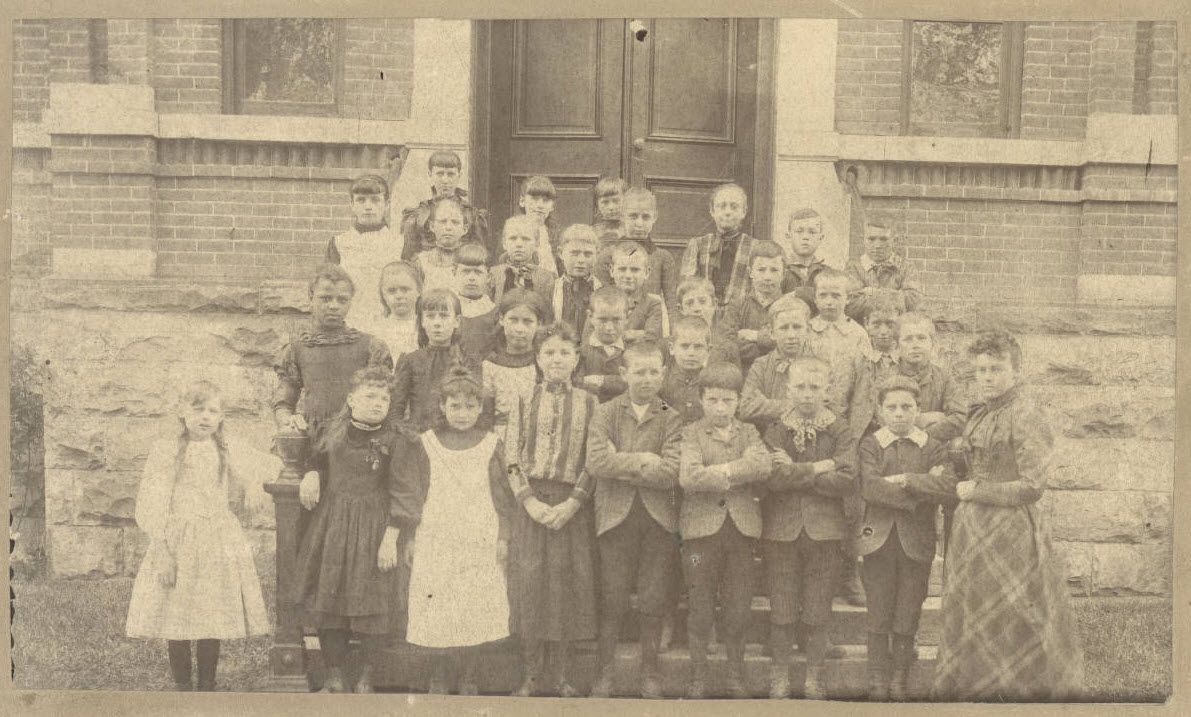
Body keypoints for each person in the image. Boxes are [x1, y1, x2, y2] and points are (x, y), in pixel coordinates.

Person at [932, 331, 1084, 702]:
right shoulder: (980, 411)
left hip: (1009, 531)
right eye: (981, 370)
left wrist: (977, 490)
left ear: (1016, 370)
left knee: (1011, 612)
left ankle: (1014, 693)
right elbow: (975, 461)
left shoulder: (1026, 414)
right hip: (972, 531)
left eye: (996, 369)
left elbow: (1032, 485)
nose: (987, 377)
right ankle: (975, 689)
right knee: (974, 609)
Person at [126, 380, 277, 691]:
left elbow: (268, 465)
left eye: (213, 411)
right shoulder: (167, 450)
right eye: (198, 409)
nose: (205, 417)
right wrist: (163, 551)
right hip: (177, 540)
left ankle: (207, 684)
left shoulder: (226, 447)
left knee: (212, 611)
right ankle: (183, 685)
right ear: (183, 412)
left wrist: (252, 485)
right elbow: (152, 501)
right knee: (176, 612)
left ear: (221, 417)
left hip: (217, 541)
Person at [292, 367, 410, 693]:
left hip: (375, 528)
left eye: (384, 398)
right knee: (330, 595)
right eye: (370, 396)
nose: (378, 403)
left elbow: (404, 491)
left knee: (373, 598)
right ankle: (334, 673)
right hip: (333, 525)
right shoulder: (333, 431)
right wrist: (312, 473)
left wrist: (391, 537)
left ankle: (367, 675)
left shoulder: (396, 439)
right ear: (351, 399)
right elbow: (316, 460)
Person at [402, 366, 514, 695]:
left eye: (469, 406)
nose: (462, 413)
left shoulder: (492, 444)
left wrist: (504, 536)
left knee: (474, 602)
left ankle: (469, 675)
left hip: (479, 532)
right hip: (436, 533)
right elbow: (414, 493)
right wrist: (410, 536)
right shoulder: (426, 443)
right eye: (455, 406)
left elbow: (503, 495)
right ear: (442, 406)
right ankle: (439, 673)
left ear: (480, 409)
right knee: (437, 600)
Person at [503, 323, 599, 697]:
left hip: (571, 505)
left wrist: (574, 502)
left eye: (564, 352)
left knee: (565, 587)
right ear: (537, 358)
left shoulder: (590, 403)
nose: (556, 359)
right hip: (531, 504)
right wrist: (528, 500)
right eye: (548, 353)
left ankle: (561, 675)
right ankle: (530, 673)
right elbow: (511, 456)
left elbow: (594, 458)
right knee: (531, 584)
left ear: (576, 358)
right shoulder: (523, 399)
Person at [585, 341, 684, 698]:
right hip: (616, 516)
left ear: (663, 374)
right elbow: (596, 462)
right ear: (624, 373)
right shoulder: (606, 412)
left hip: (657, 519)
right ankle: (604, 674)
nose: (646, 378)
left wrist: (622, 461)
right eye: (639, 371)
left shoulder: (671, 416)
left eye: (654, 371)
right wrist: (645, 459)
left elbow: (671, 471)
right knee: (612, 596)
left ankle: (650, 673)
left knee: (653, 598)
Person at [761, 357, 857, 700]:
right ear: (788, 390)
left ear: (827, 391)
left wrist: (797, 470)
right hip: (781, 530)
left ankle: (815, 677)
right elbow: (772, 478)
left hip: (825, 530)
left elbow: (846, 478)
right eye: (800, 387)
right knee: (782, 604)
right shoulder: (776, 429)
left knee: (818, 605)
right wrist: (820, 468)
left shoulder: (840, 430)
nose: (806, 394)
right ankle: (779, 676)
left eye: (814, 387)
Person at [856, 375, 956, 701]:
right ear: (880, 410)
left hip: (917, 542)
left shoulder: (932, 446)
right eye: (892, 407)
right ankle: (876, 679)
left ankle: (899, 679)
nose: (899, 413)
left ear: (918, 409)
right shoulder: (871, 444)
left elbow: (946, 487)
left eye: (906, 407)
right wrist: (917, 492)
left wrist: (905, 479)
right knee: (878, 608)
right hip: (878, 540)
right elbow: (870, 487)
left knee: (908, 610)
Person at [678, 362, 773, 699]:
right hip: (699, 535)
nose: (721, 408)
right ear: (701, 399)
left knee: (738, 606)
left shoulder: (749, 432)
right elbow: (689, 476)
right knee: (700, 605)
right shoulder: (690, 432)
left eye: (728, 401)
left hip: (741, 532)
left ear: (738, 402)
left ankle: (735, 674)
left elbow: (763, 465)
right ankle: (697, 677)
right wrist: (737, 471)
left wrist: (719, 470)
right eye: (713, 400)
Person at [272, 264, 393, 444]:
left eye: (342, 300)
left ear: (350, 302)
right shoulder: (297, 349)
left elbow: (386, 398)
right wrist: (288, 421)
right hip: (314, 440)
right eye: (326, 298)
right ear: (311, 298)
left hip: (358, 439)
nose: (334, 306)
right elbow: (284, 402)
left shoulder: (371, 346)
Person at [326, 175, 406, 337]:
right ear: (352, 204)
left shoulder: (400, 243)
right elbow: (330, 288)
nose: (368, 207)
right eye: (361, 200)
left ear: (387, 204)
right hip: (350, 323)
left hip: (389, 324)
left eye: (375, 200)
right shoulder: (339, 243)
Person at [391, 288, 477, 433]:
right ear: (422, 321)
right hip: (418, 436)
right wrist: (406, 436)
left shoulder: (468, 361)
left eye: (444, 316)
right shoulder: (410, 360)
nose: (437, 322)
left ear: (457, 321)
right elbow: (395, 410)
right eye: (430, 316)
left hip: (456, 436)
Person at [595, 188, 678, 313]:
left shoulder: (663, 257)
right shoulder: (607, 255)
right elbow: (600, 299)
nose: (639, 223)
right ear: (622, 216)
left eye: (645, 217)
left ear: (655, 217)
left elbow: (671, 304)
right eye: (633, 216)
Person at [399, 150, 492, 261]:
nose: (445, 180)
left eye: (451, 174)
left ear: (459, 175)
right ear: (430, 174)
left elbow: (481, 255)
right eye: (440, 174)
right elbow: (408, 257)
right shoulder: (419, 215)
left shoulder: (471, 215)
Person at [679, 183, 757, 312]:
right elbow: (687, 285)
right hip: (703, 313)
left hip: (739, 314)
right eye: (722, 206)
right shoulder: (698, 245)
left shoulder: (754, 247)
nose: (727, 212)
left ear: (743, 212)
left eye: (734, 207)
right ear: (712, 211)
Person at [482, 289, 547, 431]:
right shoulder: (490, 365)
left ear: (539, 323)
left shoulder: (544, 363)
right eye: (513, 320)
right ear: (501, 319)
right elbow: (485, 415)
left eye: (527, 322)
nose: (519, 329)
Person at [720, 240, 788, 376]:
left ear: (783, 274)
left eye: (774, 270)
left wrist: (756, 337)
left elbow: (788, 342)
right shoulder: (737, 304)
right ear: (751, 272)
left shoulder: (789, 307)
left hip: (778, 375)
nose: (767, 277)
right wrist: (769, 346)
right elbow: (728, 344)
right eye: (761, 270)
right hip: (743, 374)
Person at [844, 222, 922, 323]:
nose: (877, 245)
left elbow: (913, 301)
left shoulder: (906, 267)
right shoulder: (853, 267)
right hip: (861, 328)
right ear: (863, 240)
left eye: (884, 239)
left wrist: (871, 292)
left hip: (897, 327)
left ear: (893, 241)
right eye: (871, 239)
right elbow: (850, 304)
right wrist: (895, 296)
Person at [577, 286, 631, 403]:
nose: (609, 328)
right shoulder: (581, 351)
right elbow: (577, 382)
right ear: (590, 317)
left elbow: (632, 381)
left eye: (616, 320)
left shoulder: (631, 350)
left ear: (627, 318)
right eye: (602, 320)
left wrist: (602, 381)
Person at [491, 214, 555, 308]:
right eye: (513, 238)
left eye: (526, 239)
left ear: (536, 244)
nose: (519, 244)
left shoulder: (546, 278)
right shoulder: (493, 275)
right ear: (504, 243)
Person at [609, 241, 668, 343]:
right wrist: (637, 334)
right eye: (622, 269)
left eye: (635, 270)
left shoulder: (653, 304)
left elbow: (652, 338)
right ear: (612, 270)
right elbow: (588, 340)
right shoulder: (600, 300)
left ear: (647, 272)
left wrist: (611, 336)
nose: (628, 275)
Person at [551, 224, 603, 339]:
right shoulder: (551, 289)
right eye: (574, 253)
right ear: (560, 253)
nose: (581, 260)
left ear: (597, 254)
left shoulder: (602, 291)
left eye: (588, 254)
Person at [675, 276, 740, 368]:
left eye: (702, 302)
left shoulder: (727, 346)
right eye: (689, 303)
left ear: (714, 304)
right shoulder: (674, 345)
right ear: (680, 309)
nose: (697, 308)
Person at [660, 315, 713, 426]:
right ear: (672, 348)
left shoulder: (712, 380)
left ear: (708, 351)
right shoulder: (662, 379)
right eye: (684, 346)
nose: (691, 353)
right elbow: (658, 405)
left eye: (698, 347)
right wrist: (667, 413)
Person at [454, 243, 500, 366]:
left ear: (488, 277)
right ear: (454, 272)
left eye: (478, 272)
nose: (471, 278)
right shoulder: (449, 308)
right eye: (465, 271)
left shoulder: (493, 312)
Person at [412, 195, 469, 294]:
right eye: (442, 222)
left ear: (465, 229)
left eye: (455, 222)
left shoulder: (470, 260)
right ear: (432, 226)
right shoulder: (422, 262)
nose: (448, 227)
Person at [780, 207, 830, 311]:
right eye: (799, 231)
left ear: (821, 237)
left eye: (812, 232)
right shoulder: (780, 270)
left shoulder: (827, 272)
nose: (805, 237)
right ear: (788, 236)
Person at [376, 261, 422, 364]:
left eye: (405, 289)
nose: (399, 296)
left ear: (418, 290)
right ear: (383, 294)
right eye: (392, 291)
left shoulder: (424, 326)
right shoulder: (379, 329)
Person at [517, 175, 562, 276]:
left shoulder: (558, 235)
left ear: (552, 206)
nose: (540, 205)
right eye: (534, 199)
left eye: (546, 200)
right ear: (522, 201)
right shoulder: (512, 233)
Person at [592, 176, 627, 243]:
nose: (611, 207)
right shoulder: (592, 234)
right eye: (605, 202)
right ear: (597, 205)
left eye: (616, 201)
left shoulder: (634, 231)